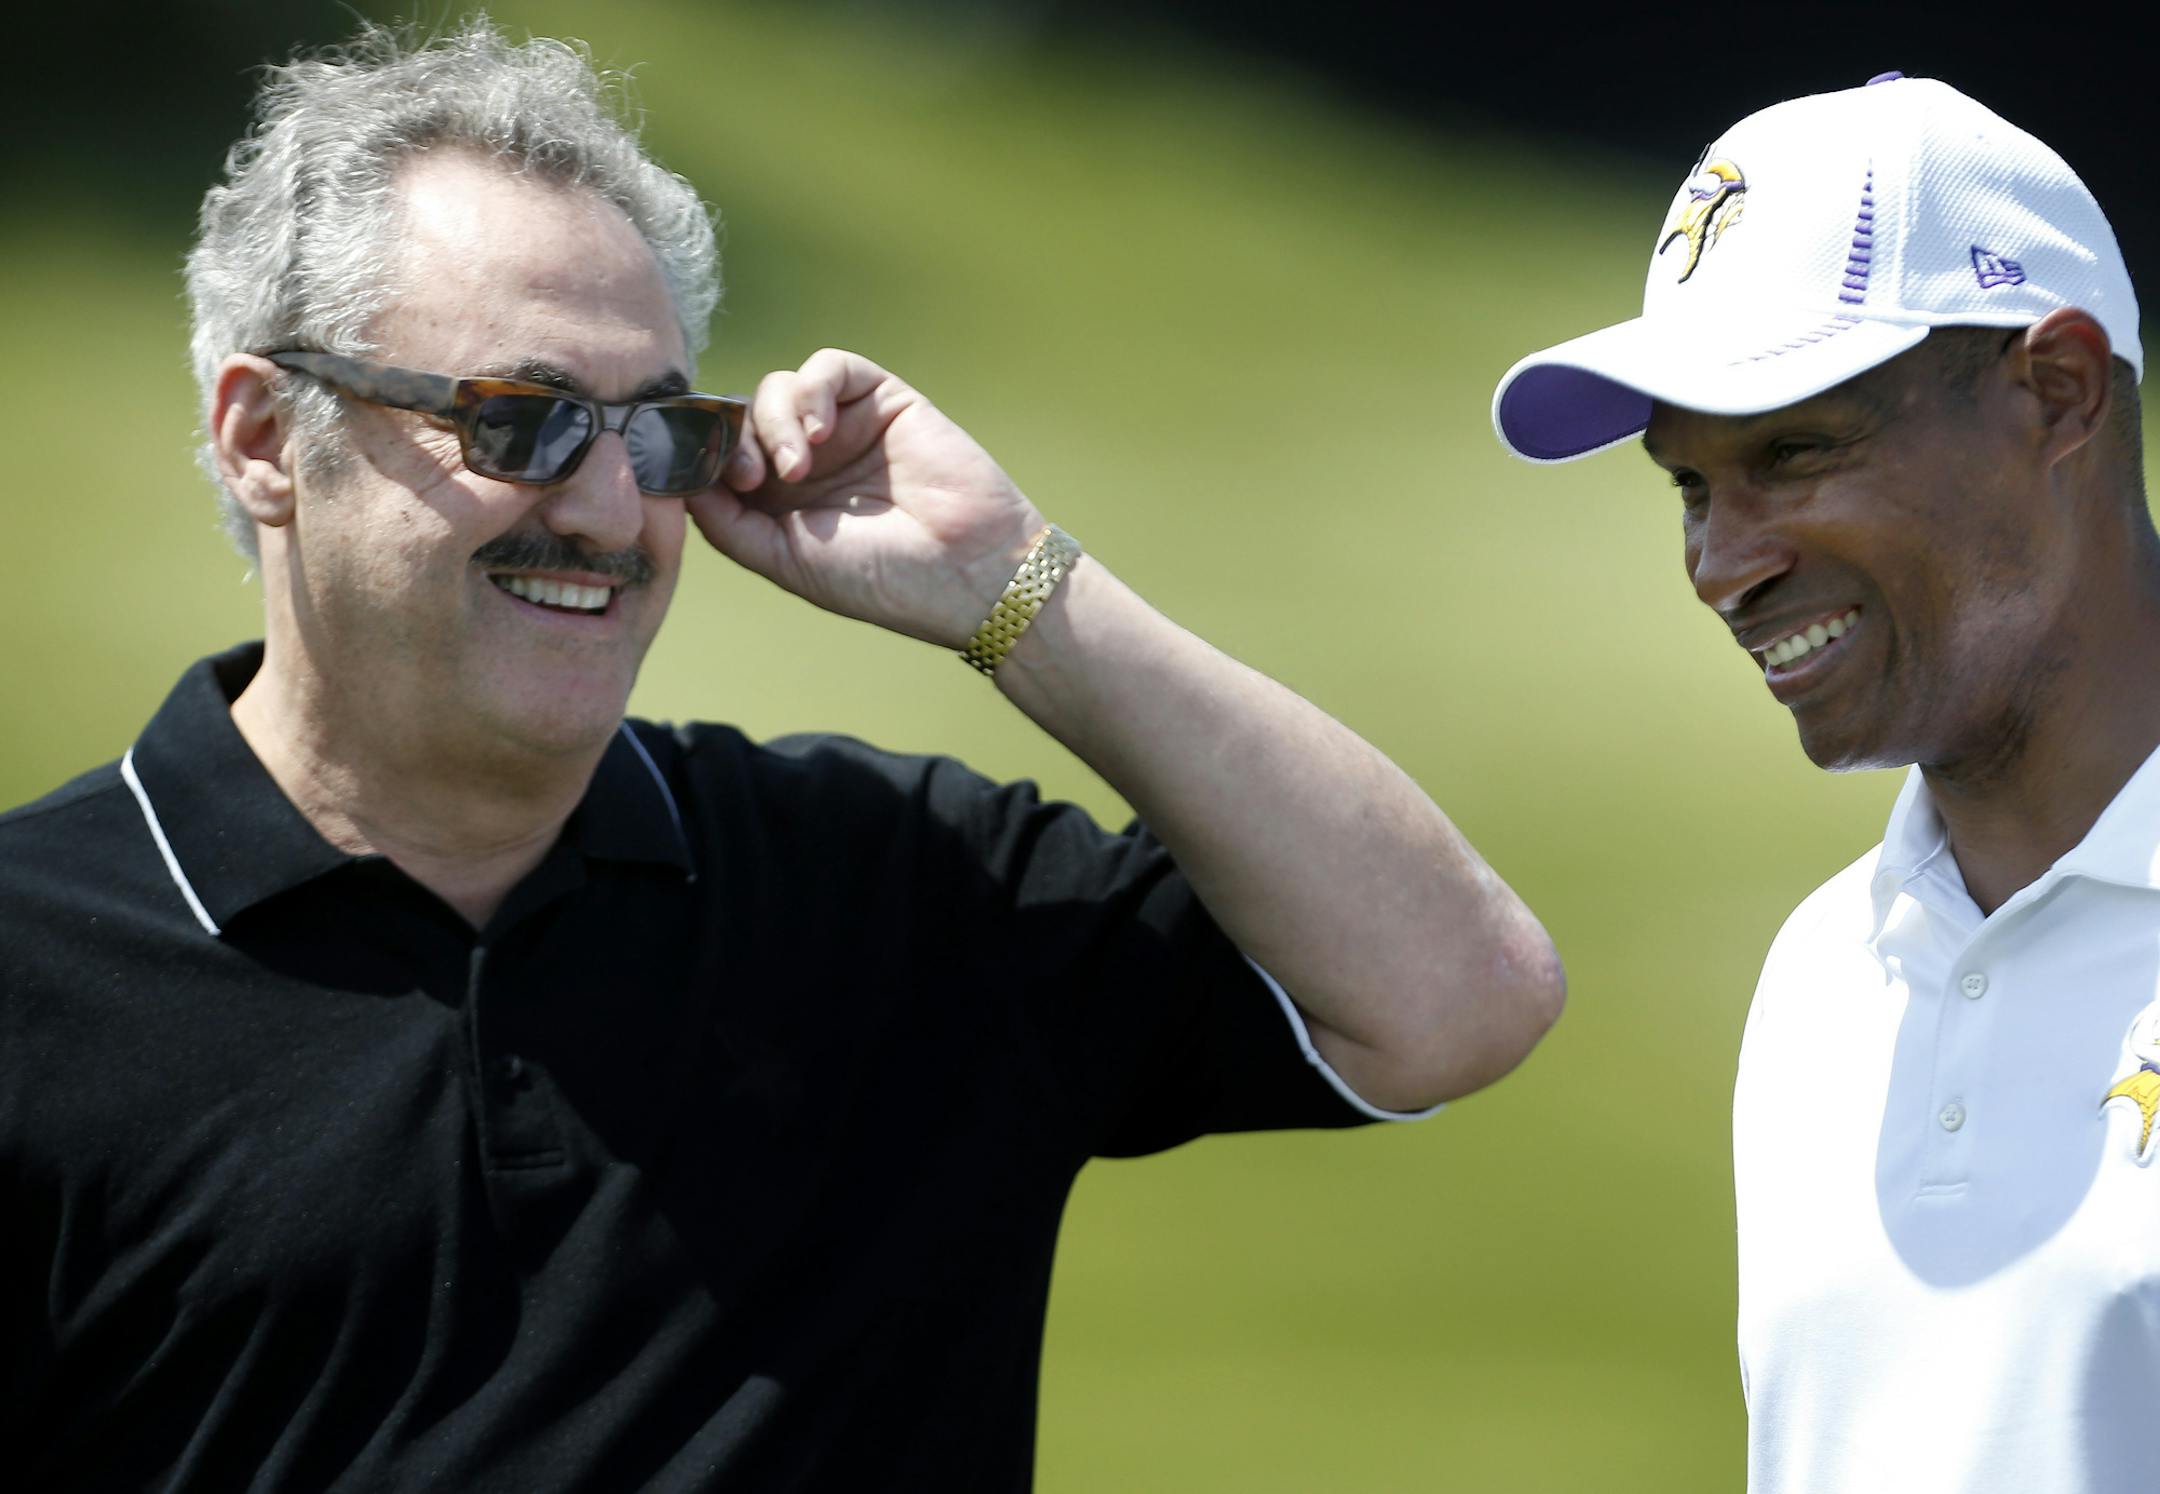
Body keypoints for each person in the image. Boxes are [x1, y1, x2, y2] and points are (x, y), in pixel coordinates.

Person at [0, 18, 1564, 1492]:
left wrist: (1010, 581)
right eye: (523, 419)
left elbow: (1457, 993)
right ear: (269, 438)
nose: (613, 513)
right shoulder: (35, 978)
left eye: (661, 429)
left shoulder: (887, 888)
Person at [1493, 72, 2156, 1492]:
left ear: (2057, 394)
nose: (1721, 564)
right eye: (1689, 486)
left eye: (1794, 452)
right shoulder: (1820, 977)